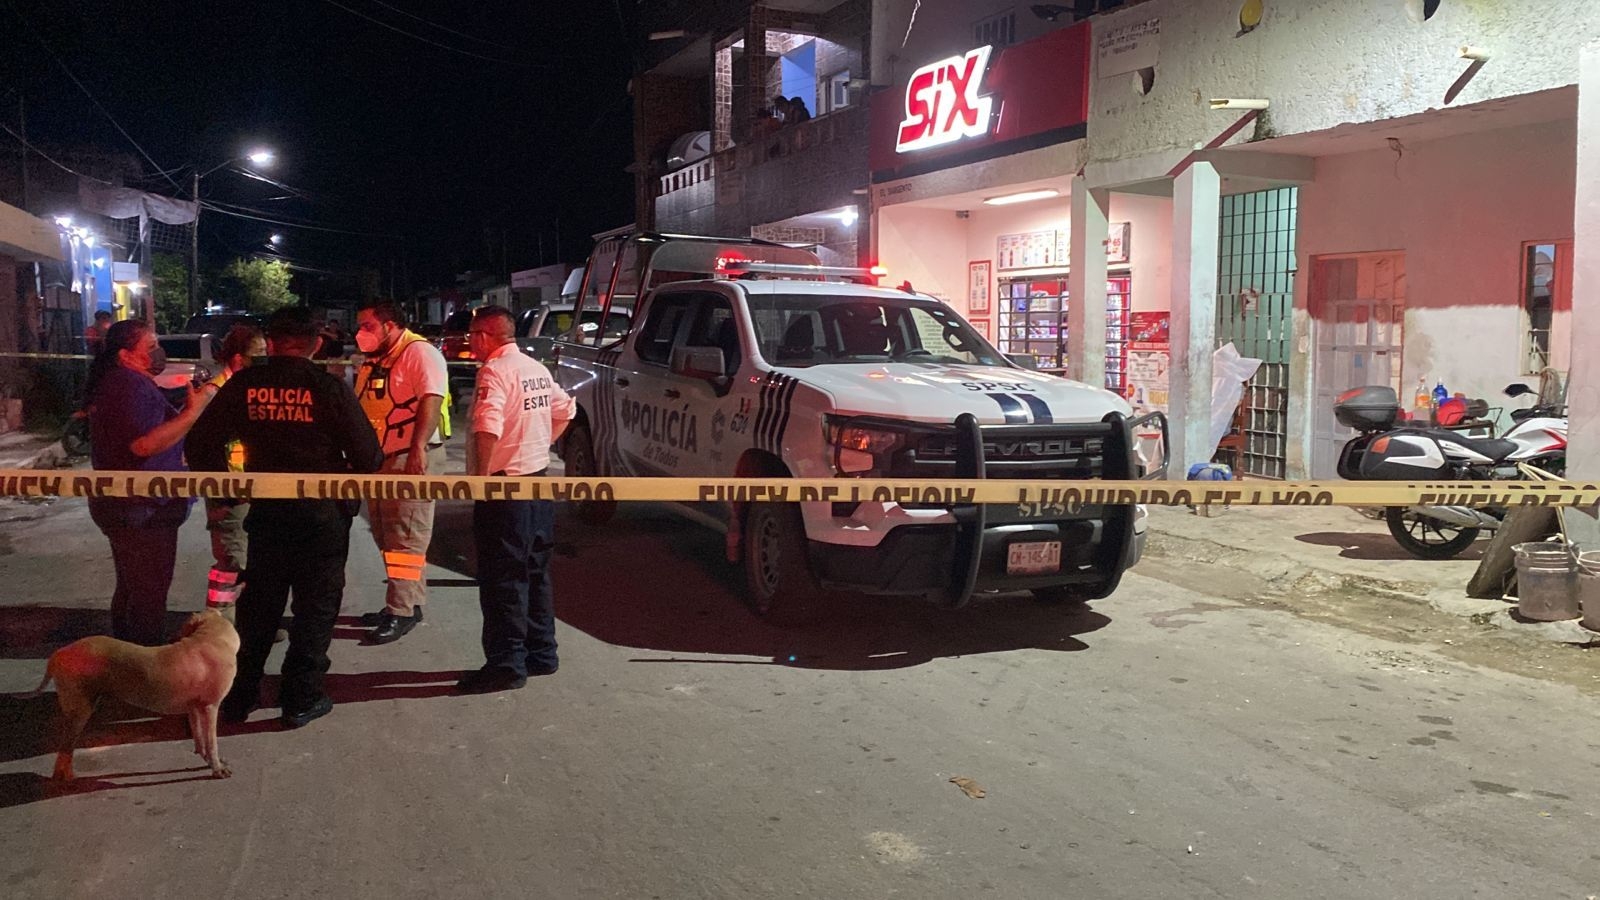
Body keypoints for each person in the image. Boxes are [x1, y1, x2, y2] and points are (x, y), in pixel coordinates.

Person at [187, 307, 382, 728]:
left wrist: (227, 489)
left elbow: (201, 443)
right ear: (315, 344)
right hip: (321, 520)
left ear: (271, 343)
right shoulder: (327, 388)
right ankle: (302, 698)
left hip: (268, 517)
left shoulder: (245, 384)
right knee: (315, 610)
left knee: (259, 611)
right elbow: (369, 455)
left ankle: (239, 698)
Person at [456, 305, 574, 694]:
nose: (469, 342)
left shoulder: (496, 372)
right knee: (535, 572)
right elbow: (565, 409)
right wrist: (539, 445)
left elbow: (487, 428)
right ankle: (542, 653)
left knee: (502, 578)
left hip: (505, 489)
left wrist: (481, 481)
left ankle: (506, 664)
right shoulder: (535, 369)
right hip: (537, 484)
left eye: (473, 334)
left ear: (486, 335)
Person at [85, 319, 211, 645]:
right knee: (148, 595)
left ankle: (125, 657)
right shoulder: (128, 385)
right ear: (126, 355)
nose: (158, 352)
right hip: (141, 508)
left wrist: (188, 407)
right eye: (151, 346)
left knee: (132, 587)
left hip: (130, 505)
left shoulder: (124, 383)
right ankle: (144, 663)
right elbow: (143, 444)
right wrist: (191, 416)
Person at [352, 300, 451, 644]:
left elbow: (431, 399)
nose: (360, 333)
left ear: (390, 325)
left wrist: (418, 449)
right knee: (387, 536)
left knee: (406, 537)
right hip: (382, 458)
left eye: (367, 326)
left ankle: (401, 611)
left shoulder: (419, 353)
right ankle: (409, 601)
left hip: (409, 457)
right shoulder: (376, 357)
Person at [199, 324, 266, 624]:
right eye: (260, 354)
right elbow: (204, 450)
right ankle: (219, 624)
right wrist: (223, 496)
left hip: (250, 492)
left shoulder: (246, 389)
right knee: (230, 561)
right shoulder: (216, 393)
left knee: (251, 559)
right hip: (230, 494)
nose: (266, 359)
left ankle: (248, 620)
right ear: (239, 358)